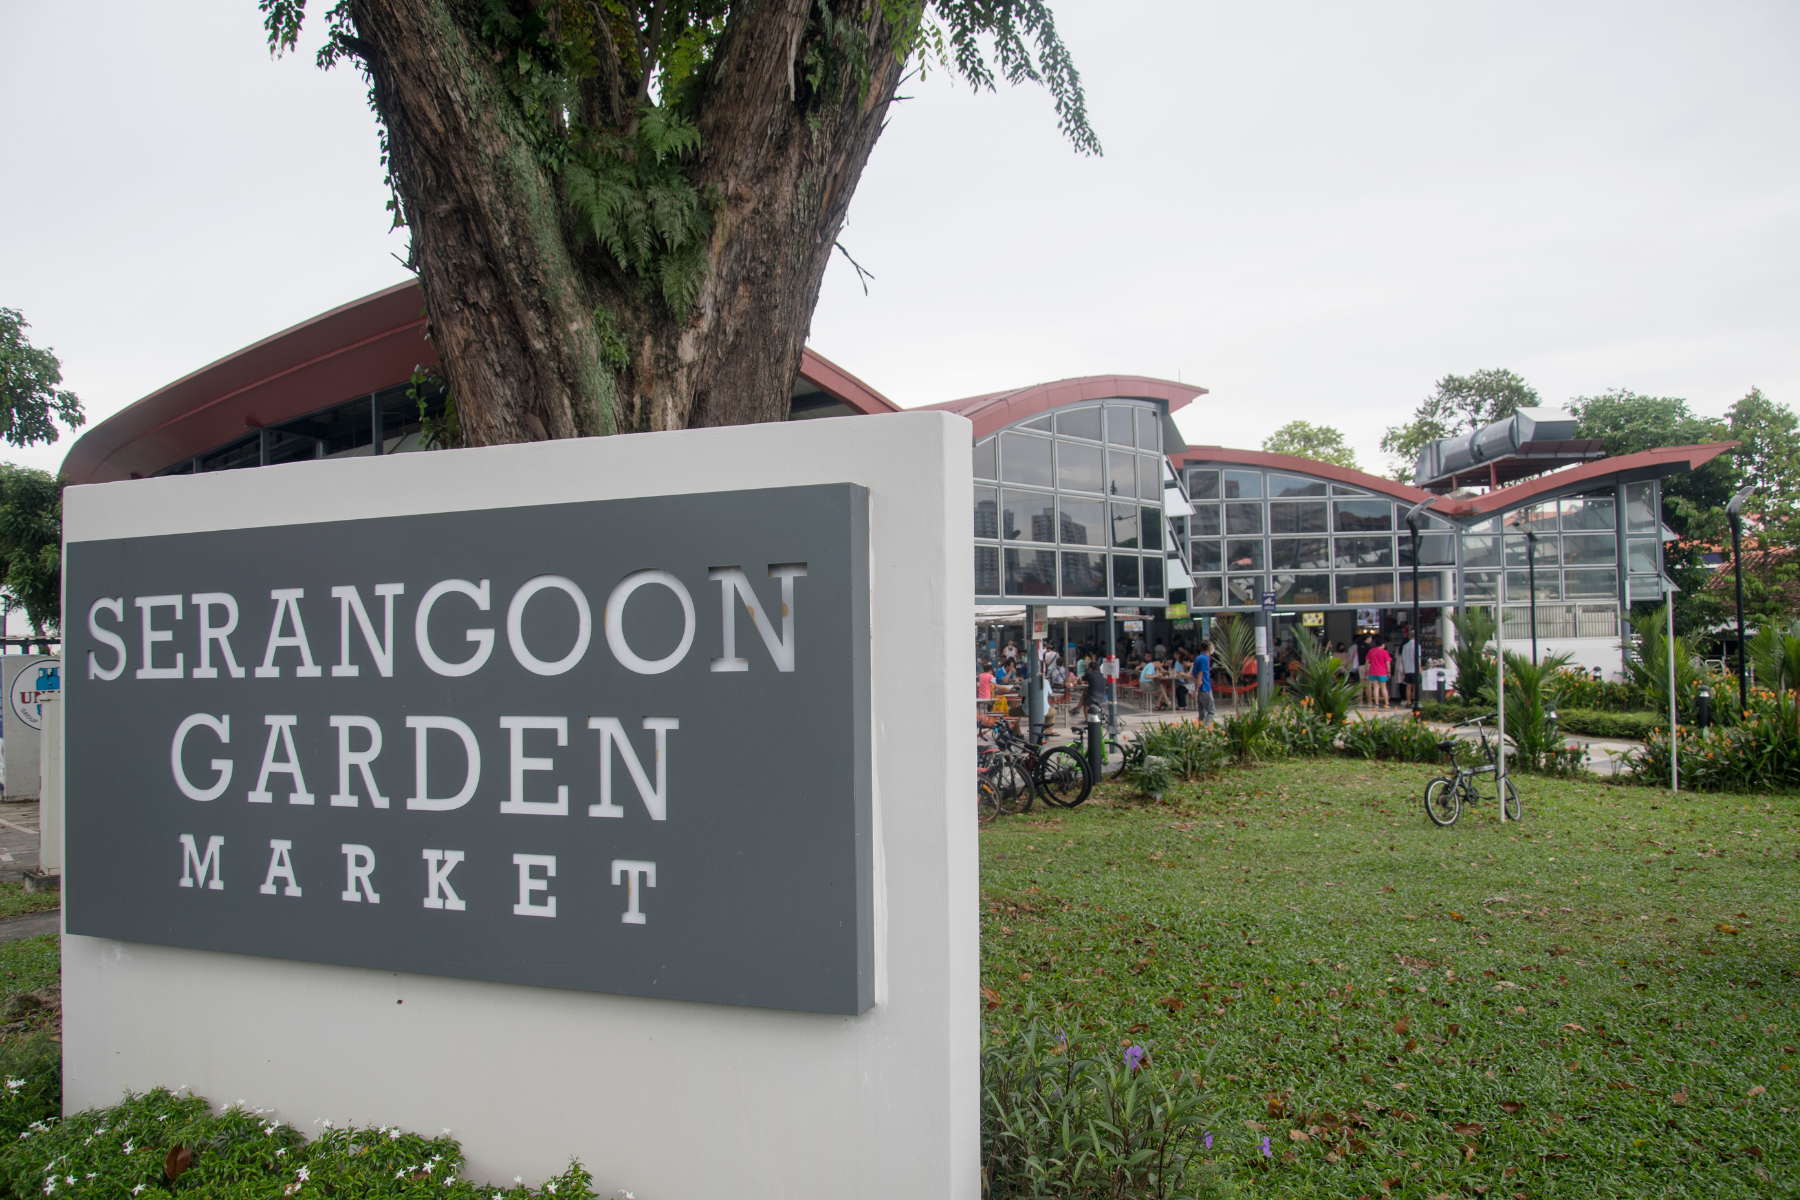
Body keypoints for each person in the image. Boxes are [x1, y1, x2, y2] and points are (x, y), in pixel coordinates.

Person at [1365, 640, 1392, 710]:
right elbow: (1388, 663)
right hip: (1382, 671)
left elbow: (1367, 662)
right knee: (1383, 687)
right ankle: (1387, 703)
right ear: (1382, 644)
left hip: (1372, 671)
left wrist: (1366, 670)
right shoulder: (1385, 652)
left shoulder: (1371, 651)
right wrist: (1389, 672)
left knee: (1376, 687)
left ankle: (1376, 704)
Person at [1192, 640, 1216, 724]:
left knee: (1202, 713)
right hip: (1205, 687)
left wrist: (1196, 689)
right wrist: (1197, 689)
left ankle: (1201, 728)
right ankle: (1205, 728)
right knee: (1211, 712)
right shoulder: (1204, 659)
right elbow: (1200, 674)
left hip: (1200, 688)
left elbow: (1193, 674)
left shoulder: (1198, 658)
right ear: (1209, 648)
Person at [1400, 630, 1419, 705]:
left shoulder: (1405, 646)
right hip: (1415, 668)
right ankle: (1415, 701)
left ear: (1409, 636)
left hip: (1407, 668)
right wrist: (1420, 667)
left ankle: (1409, 701)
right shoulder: (1417, 645)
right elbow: (1417, 658)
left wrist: (1403, 668)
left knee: (1408, 686)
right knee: (1415, 686)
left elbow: (1403, 658)